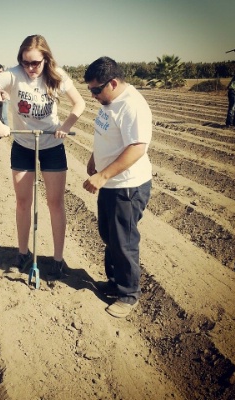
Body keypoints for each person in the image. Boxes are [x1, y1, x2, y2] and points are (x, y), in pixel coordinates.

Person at [0, 34, 85, 279]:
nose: (30, 68)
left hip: (52, 145)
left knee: (55, 203)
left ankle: (57, 259)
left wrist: (65, 125)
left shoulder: (58, 76)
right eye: (26, 62)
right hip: (23, 144)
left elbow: (79, 104)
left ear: (46, 59)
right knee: (23, 202)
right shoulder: (12, 75)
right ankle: (22, 253)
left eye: (35, 63)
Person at [83, 57, 152, 318]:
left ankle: (129, 294)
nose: (93, 95)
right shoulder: (110, 100)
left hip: (127, 186)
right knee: (109, 236)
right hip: (112, 183)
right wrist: (95, 158)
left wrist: (103, 176)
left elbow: (137, 148)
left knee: (124, 241)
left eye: (96, 90)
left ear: (112, 82)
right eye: (90, 90)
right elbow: (106, 134)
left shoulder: (132, 106)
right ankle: (114, 282)